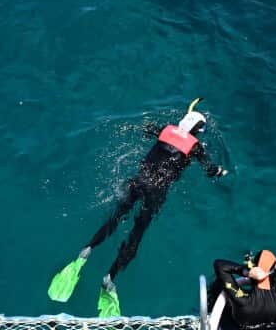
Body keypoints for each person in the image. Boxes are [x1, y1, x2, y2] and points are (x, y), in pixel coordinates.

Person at [46, 99, 228, 316]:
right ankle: (110, 278)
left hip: (138, 181)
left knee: (115, 217)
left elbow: (147, 127)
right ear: (197, 131)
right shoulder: (196, 146)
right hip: (156, 191)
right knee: (137, 233)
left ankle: (85, 253)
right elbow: (210, 170)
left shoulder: (166, 130)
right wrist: (219, 172)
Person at [209, 251, 276, 330]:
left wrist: (246, 271)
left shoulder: (243, 300)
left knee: (219, 286)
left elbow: (220, 265)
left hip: (236, 324)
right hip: (272, 320)